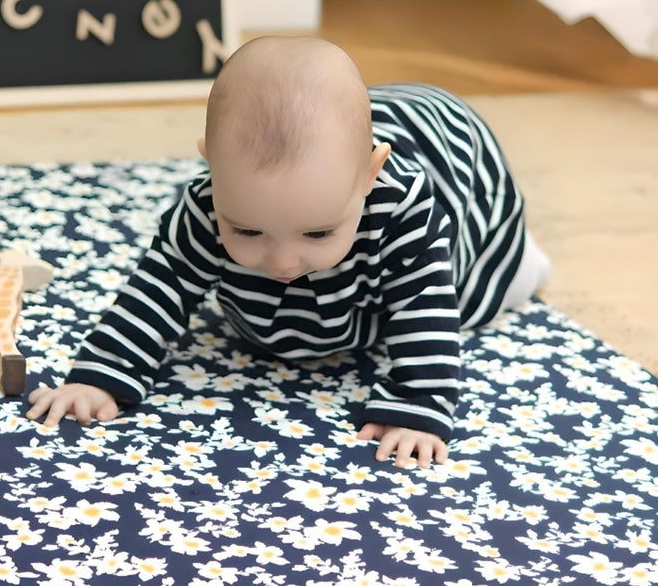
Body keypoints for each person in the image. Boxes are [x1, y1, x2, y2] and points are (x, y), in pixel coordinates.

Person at [27, 36, 550, 467]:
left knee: (480, 290)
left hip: (447, 147)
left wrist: (419, 402)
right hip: (330, 145)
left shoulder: (403, 207)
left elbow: (423, 304)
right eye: (248, 231)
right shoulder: (209, 203)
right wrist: (99, 376)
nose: (283, 262)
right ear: (212, 169)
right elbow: (162, 284)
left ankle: (522, 257)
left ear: (369, 176)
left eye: (317, 234)